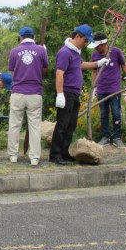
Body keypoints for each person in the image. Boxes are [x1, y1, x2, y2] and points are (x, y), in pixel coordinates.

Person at [49, 25, 110, 165]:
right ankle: (55, 154)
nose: (86, 43)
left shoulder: (76, 53)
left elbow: (80, 65)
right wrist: (60, 94)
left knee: (71, 125)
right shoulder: (65, 52)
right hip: (66, 92)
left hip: (74, 93)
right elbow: (59, 73)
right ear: (77, 37)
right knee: (62, 125)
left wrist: (97, 63)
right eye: (84, 40)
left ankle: (64, 152)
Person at [90, 31, 126, 148]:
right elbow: (94, 71)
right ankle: (105, 137)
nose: (96, 48)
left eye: (97, 46)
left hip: (114, 89)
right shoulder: (95, 55)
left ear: (103, 44)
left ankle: (117, 138)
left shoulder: (116, 52)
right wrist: (94, 88)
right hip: (102, 89)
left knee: (116, 113)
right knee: (104, 114)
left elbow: (124, 65)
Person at [7, 26, 49, 166]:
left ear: (20, 37)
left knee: (14, 125)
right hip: (35, 92)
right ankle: (34, 158)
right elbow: (44, 71)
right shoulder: (41, 50)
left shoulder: (14, 52)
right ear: (34, 36)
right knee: (35, 126)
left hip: (18, 91)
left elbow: (12, 72)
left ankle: (13, 155)